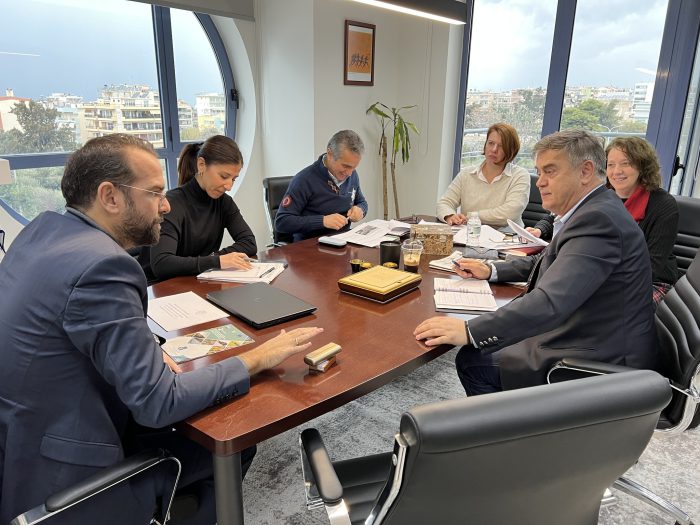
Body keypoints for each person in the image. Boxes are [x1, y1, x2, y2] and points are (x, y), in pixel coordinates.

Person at [0, 134, 323, 525]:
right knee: (232, 444)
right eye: (154, 193)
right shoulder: (104, 267)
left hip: (22, 443)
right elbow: (158, 403)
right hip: (70, 474)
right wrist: (255, 358)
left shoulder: (43, 230)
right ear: (110, 196)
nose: (166, 204)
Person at [415, 130, 657, 396]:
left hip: (602, 355)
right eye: (539, 172)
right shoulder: (593, 209)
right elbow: (550, 262)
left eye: (550, 172)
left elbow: (550, 302)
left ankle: (516, 422)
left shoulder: (598, 221)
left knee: (474, 361)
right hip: (595, 332)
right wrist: (491, 269)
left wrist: (470, 329)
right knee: (485, 350)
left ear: (586, 171)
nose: (540, 182)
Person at [529, 136, 678, 296]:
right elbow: (555, 217)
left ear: (643, 166)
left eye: (625, 163)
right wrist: (540, 229)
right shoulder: (601, 194)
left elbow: (652, 266)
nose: (617, 171)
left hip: (650, 283)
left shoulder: (663, 204)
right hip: (599, 272)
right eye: (611, 165)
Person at [140, 135, 257, 283]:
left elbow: (249, 243)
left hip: (195, 279)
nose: (229, 186)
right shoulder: (170, 204)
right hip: (158, 287)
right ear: (201, 165)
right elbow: (162, 264)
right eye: (223, 176)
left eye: (233, 179)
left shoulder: (224, 202)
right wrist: (217, 261)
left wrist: (214, 259)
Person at [275, 129, 368, 242]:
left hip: (342, 241)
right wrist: (322, 221)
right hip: (310, 245)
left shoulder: (352, 175)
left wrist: (361, 210)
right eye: (345, 166)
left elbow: (362, 202)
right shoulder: (304, 180)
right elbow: (282, 222)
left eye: (353, 167)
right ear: (330, 154)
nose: (349, 173)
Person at [436, 122, 530, 227]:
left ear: (511, 150)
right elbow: (444, 203)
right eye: (491, 143)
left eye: (501, 146)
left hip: (506, 235)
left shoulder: (520, 175)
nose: (494, 149)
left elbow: (509, 214)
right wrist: (450, 216)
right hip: (470, 234)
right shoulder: (466, 174)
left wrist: (471, 216)